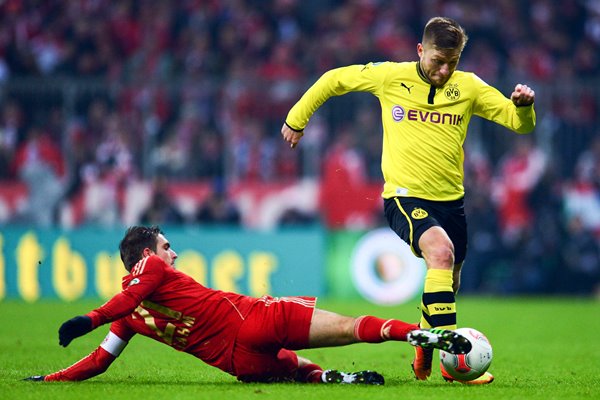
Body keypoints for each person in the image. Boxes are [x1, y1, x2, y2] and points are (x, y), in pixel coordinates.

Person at [281, 17, 536, 385]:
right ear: (420, 50)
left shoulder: (469, 87)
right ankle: (456, 363)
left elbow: (519, 124)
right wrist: (297, 119)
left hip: (452, 202)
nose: (444, 70)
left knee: (449, 280)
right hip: (403, 196)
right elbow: (334, 79)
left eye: (452, 62)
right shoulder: (391, 77)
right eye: (437, 61)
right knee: (441, 254)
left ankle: (423, 343)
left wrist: (524, 106)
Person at [24, 225, 471, 384]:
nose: (172, 254)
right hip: (256, 319)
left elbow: (100, 362)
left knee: (297, 369)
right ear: (147, 255)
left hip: (239, 364)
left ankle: (341, 378)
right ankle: (420, 335)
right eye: (166, 246)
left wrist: (50, 378)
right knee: (352, 327)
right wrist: (87, 319)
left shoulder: (131, 320)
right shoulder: (151, 276)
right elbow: (130, 295)